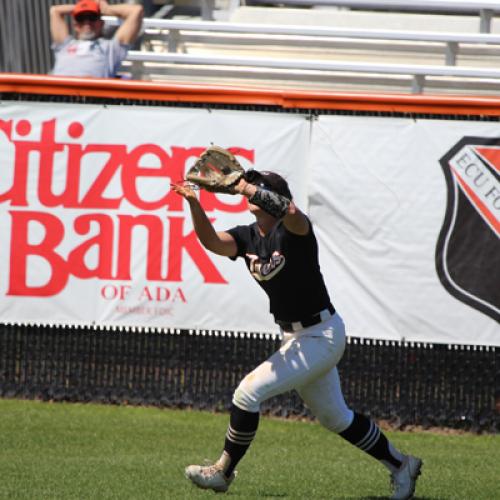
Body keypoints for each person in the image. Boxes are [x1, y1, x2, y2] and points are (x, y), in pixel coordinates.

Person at [172, 169, 422, 500]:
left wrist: (245, 186)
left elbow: (290, 211)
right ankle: (402, 464)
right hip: (295, 338)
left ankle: (222, 471)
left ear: (273, 196)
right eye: (250, 184)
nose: (249, 190)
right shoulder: (249, 236)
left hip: (322, 335)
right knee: (336, 417)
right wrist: (194, 203)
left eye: (258, 186)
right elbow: (213, 243)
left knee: (247, 394)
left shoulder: (295, 231)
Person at [50, 0, 143, 78]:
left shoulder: (111, 49)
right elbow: (55, 11)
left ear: (101, 23)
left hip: (92, 97)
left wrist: (106, 9)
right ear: (75, 25)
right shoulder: (65, 45)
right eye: (81, 18)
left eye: (92, 17)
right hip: (58, 96)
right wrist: (84, 5)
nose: (87, 22)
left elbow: (136, 11)